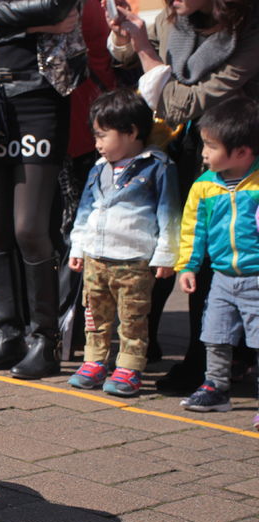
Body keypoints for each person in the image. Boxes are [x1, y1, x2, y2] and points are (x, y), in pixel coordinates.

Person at [109, 0, 259, 392]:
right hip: (182, 149)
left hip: (236, 159)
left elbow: (185, 102)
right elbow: (128, 55)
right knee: (176, 245)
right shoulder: (175, 19)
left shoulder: (250, 29)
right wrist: (126, 36)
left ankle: (206, 361)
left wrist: (144, 49)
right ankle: (160, 348)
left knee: (217, 257)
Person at [0, 0, 86, 379]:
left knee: (30, 229)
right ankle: (9, 334)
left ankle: (44, 340)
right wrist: (32, 27)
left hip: (40, 100)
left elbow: (57, 10)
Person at [67, 89, 179, 397]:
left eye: (103, 135)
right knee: (95, 314)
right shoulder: (98, 169)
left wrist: (166, 256)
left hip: (133, 259)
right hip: (96, 258)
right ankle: (94, 361)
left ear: (131, 132)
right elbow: (84, 212)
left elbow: (169, 213)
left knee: (133, 317)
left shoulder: (158, 166)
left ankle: (129, 367)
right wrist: (78, 248)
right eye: (96, 136)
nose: (97, 144)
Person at [174, 97, 259, 427]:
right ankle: (215, 387)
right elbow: (193, 229)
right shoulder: (204, 187)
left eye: (210, 146)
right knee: (215, 333)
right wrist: (188, 265)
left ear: (241, 152)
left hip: (255, 277)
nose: (203, 153)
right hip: (223, 276)